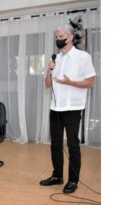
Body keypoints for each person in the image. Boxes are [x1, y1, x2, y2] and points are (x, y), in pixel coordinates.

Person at [40, 24, 96, 194]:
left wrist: (70, 82)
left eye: (61, 36)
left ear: (70, 37)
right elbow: (48, 85)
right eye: (56, 37)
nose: (58, 39)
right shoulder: (56, 58)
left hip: (72, 108)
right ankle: (57, 175)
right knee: (55, 144)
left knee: (73, 145)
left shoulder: (82, 57)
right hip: (55, 108)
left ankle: (73, 180)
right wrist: (49, 71)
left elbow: (91, 82)